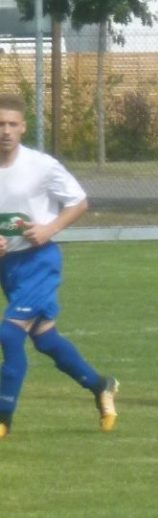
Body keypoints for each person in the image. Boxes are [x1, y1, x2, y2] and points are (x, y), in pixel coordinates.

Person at [0, 94, 119, 439]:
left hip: (40, 263)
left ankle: (3, 419)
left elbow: (79, 202)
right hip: (9, 267)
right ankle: (101, 386)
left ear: (23, 127)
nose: (5, 131)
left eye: (11, 124)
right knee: (44, 338)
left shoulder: (41, 166)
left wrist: (49, 228)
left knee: (9, 334)